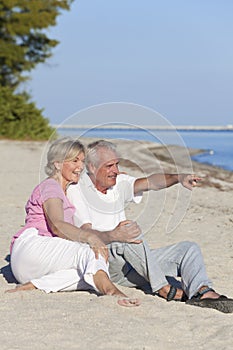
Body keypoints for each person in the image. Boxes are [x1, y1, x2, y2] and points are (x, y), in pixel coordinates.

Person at [67, 139, 233, 313]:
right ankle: (162, 288)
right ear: (92, 167)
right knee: (128, 231)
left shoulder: (118, 183)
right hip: (104, 262)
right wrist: (115, 235)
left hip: (131, 261)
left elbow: (151, 182)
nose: (115, 171)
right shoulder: (78, 189)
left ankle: (202, 292)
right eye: (109, 166)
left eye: (116, 164)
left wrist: (178, 178)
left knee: (188, 249)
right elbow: (86, 234)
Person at [7, 137, 141, 307]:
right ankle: (112, 291)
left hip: (31, 269)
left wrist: (118, 177)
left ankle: (35, 285)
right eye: (74, 161)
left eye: (83, 161)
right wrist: (91, 238)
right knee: (93, 252)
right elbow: (57, 226)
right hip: (32, 247)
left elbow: (91, 184)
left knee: (87, 274)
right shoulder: (51, 186)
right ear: (57, 164)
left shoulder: (66, 190)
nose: (80, 166)